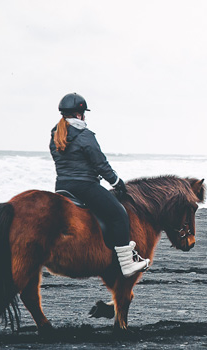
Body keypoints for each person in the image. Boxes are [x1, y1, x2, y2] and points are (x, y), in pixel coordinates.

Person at [50, 92, 149, 277]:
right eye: (83, 113)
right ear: (79, 114)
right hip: (85, 186)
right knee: (119, 213)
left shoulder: (56, 134)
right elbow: (100, 164)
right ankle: (127, 264)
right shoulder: (85, 135)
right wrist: (116, 181)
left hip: (62, 186)